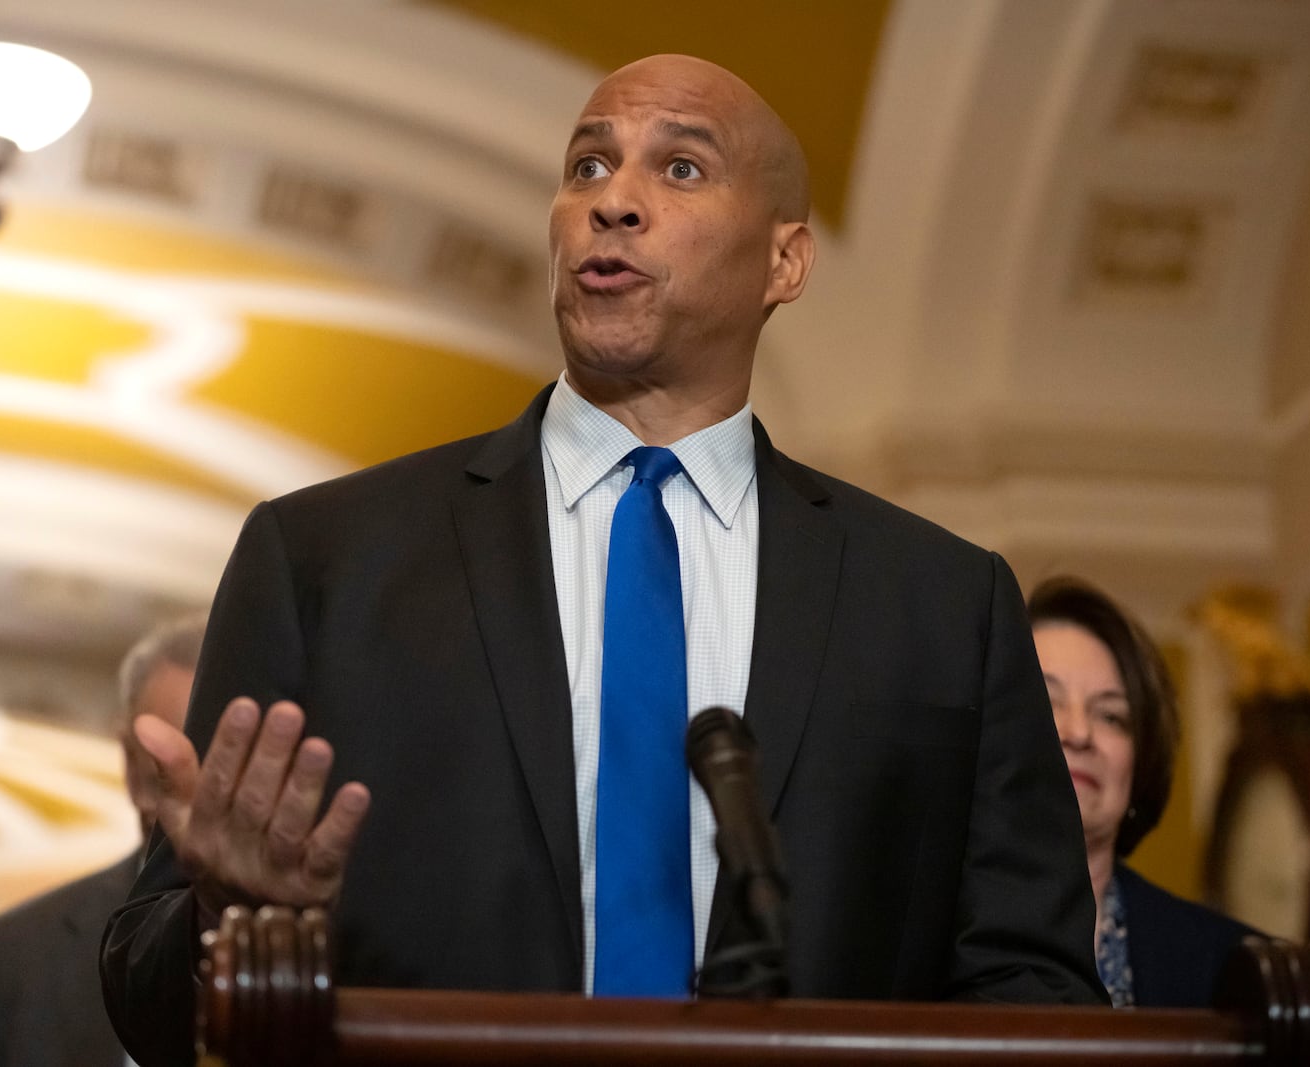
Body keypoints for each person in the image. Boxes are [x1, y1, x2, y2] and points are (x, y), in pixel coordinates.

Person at [101, 54, 1106, 1065]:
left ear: (784, 261)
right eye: (587, 165)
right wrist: (224, 915)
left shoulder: (941, 602)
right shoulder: (324, 559)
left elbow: (1034, 986)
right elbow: (142, 993)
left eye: (679, 170)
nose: (613, 201)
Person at [0, 616, 203, 1067]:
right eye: (168, 772)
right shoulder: (6, 958)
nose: (198, 811)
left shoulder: (341, 957)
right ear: (133, 770)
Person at [1027, 575, 1257, 1008]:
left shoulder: (1239, 970)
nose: (1078, 732)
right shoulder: (903, 945)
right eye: (1044, 700)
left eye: (1112, 716)